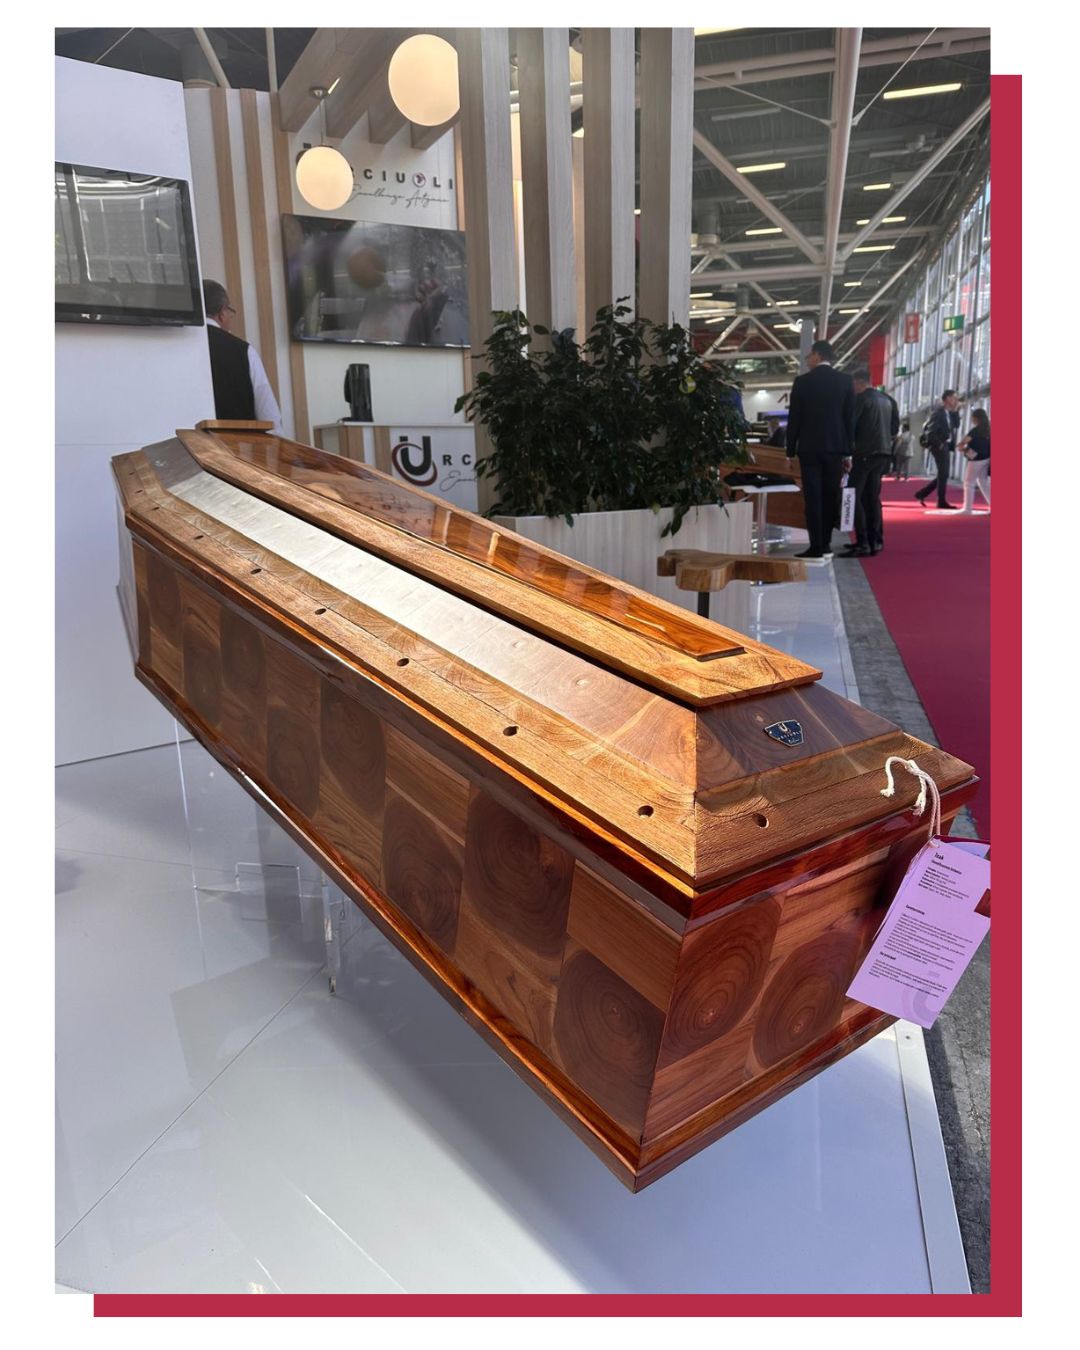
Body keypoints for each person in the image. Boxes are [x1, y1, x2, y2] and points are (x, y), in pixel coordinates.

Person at [785, 339, 855, 559]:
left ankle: (815, 545)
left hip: (809, 448)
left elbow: (794, 418)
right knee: (830, 496)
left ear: (817, 355)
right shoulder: (845, 381)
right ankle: (826, 543)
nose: (807, 360)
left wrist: (789, 450)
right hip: (835, 448)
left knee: (813, 497)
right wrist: (848, 452)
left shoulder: (802, 382)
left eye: (809, 356)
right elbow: (849, 419)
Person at [202, 279, 283, 433]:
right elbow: (270, 419)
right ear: (222, 313)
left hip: (185, 446)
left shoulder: (175, 350)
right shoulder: (243, 351)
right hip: (238, 446)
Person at [840, 370, 896, 557]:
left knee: (854, 496)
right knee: (872, 498)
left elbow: (850, 427)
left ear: (857, 382)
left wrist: (846, 454)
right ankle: (876, 540)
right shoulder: (888, 400)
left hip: (864, 454)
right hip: (883, 453)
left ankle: (862, 542)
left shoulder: (860, 399)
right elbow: (894, 428)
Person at [914, 389, 960, 510]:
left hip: (946, 445)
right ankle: (941, 501)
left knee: (943, 474)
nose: (956, 400)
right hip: (939, 446)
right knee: (944, 473)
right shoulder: (938, 413)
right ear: (948, 398)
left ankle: (922, 494)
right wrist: (939, 444)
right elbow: (930, 431)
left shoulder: (949, 413)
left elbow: (956, 425)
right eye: (954, 398)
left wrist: (955, 411)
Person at [958, 408, 991, 513]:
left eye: (972, 418)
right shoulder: (989, 429)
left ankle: (967, 509)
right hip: (987, 458)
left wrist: (964, 449)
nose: (972, 420)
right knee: (983, 482)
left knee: (969, 482)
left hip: (976, 460)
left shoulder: (975, 431)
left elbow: (962, 443)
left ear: (976, 418)